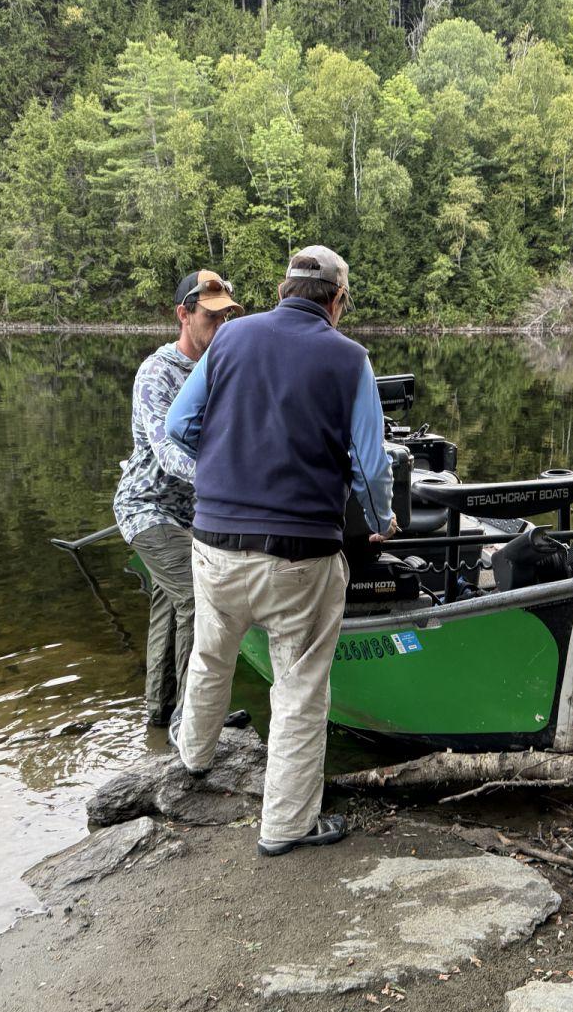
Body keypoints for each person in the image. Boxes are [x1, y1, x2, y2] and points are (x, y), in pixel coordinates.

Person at [165, 246, 399, 857]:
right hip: (302, 554)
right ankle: (287, 825)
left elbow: (179, 427)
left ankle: (193, 756)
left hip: (214, 541)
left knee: (212, 652)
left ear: (281, 288)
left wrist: (227, 470)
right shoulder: (350, 359)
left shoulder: (231, 338)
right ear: (337, 301)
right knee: (298, 686)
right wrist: (381, 521)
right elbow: (372, 467)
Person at [112, 269, 246, 730]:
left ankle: (158, 713)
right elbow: (168, 451)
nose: (220, 326)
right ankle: (193, 721)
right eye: (210, 317)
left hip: (190, 514)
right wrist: (224, 485)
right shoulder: (157, 373)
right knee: (196, 598)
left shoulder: (223, 368)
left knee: (168, 607)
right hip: (146, 509)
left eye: (226, 317)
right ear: (183, 315)